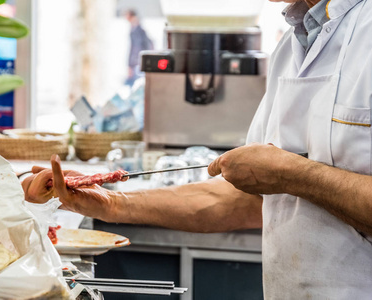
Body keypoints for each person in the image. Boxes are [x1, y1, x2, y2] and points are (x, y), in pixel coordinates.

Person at [22, 0, 372, 298]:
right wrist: (114, 203)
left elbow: (286, 179)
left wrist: (291, 174)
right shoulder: (292, 46)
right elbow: (249, 200)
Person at [124, 9, 153, 86]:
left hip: (137, 64)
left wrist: (132, 64)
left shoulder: (138, 30)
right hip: (137, 63)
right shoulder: (136, 29)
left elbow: (136, 48)